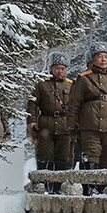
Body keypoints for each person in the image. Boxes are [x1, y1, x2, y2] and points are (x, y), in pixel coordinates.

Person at [66, 42, 107, 193]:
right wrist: (71, 123)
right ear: (93, 59)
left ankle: (102, 187)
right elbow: (74, 102)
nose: (103, 60)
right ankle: (90, 187)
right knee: (91, 155)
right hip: (89, 124)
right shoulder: (84, 79)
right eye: (99, 56)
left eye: (106, 57)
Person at [27, 51, 74, 192]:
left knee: (63, 157)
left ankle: (58, 187)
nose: (60, 71)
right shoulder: (42, 85)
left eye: (63, 68)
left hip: (65, 125)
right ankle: (43, 186)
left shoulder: (72, 85)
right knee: (44, 156)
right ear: (51, 68)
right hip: (45, 124)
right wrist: (32, 122)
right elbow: (32, 104)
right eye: (57, 68)